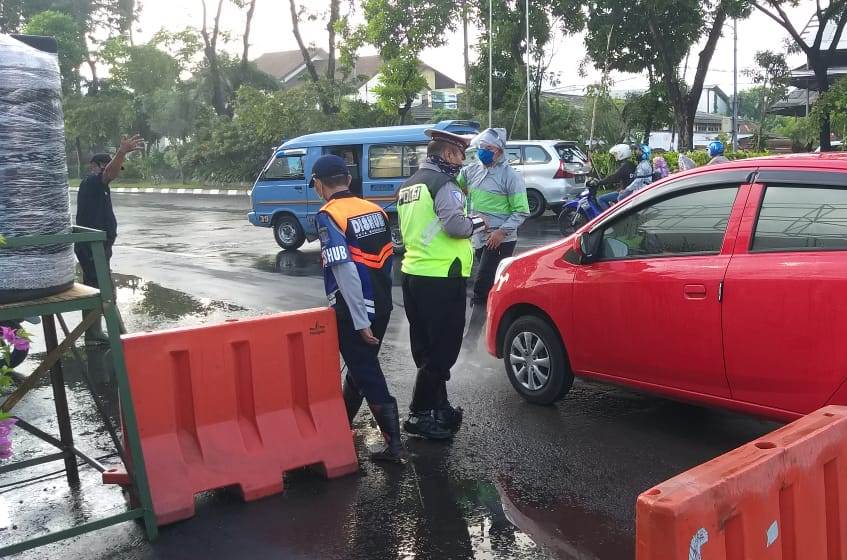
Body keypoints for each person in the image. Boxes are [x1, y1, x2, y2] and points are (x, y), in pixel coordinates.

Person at [312, 154, 405, 463]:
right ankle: (342, 423)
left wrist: (359, 318)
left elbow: (344, 269)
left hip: (355, 311)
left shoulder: (329, 215)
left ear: (319, 185)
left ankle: (395, 446)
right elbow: (388, 258)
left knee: (367, 370)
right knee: (360, 365)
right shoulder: (375, 210)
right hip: (383, 303)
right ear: (348, 180)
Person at [397, 129, 486, 440]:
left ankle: (440, 408)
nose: (463, 160)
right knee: (444, 351)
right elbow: (456, 227)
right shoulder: (444, 185)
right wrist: (477, 222)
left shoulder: (409, 185)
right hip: (442, 278)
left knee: (426, 348)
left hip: (413, 275)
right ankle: (419, 414)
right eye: (461, 154)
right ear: (448, 154)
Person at [459, 128, 529, 349]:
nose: (483, 152)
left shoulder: (511, 176)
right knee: (486, 285)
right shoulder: (471, 171)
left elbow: (521, 211)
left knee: (481, 285)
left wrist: (501, 232)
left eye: (488, 149)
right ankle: (492, 329)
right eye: (481, 148)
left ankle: (471, 341)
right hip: (478, 237)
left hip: (500, 240)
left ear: (499, 151)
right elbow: (455, 187)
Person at [75, 134, 144, 343]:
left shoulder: (101, 188)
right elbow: (108, 174)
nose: (113, 173)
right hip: (92, 249)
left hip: (98, 248)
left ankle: (93, 334)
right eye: (106, 167)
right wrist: (122, 152)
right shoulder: (92, 183)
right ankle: (122, 336)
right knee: (107, 293)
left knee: (94, 290)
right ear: (94, 166)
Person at [595, 144, 636, 209]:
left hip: (625, 193)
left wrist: (599, 182)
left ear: (622, 153)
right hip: (628, 191)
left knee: (600, 199)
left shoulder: (624, 166)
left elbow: (613, 178)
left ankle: (609, 216)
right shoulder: (631, 164)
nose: (615, 156)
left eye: (616, 154)